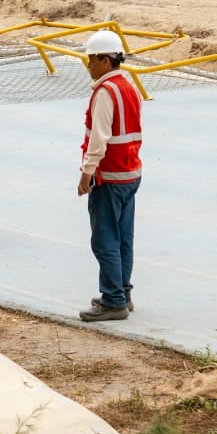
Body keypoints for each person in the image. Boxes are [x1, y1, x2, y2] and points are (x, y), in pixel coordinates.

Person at [76, 29, 142, 322]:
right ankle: (122, 292)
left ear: (105, 60)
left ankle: (113, 300)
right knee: (123, 238)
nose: (88, 65)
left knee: (104, 240)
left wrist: (86, 174)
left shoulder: (105, 93)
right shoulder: (129, 88)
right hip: (130, 173)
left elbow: (99, 139)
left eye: (91, 59)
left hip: (110, 176)